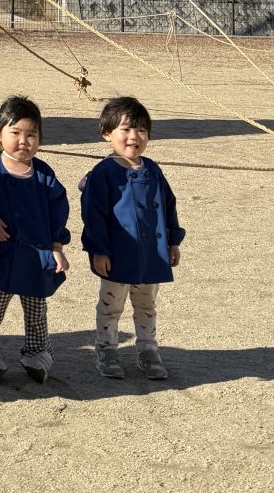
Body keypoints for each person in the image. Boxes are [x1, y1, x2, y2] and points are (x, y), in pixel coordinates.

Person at [0, 95, 70, 384]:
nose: (24, 141)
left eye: (31, 134)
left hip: (37, 258)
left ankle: (37, 354)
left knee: (36, 311)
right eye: (16, 133)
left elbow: (59, 208)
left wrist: (57, 245)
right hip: (2, 257)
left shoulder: (44, 174)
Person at [80, 95, 184, 381]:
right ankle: (106, 349)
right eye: (125, 129)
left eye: (140, 129)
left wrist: (173, 240)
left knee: (146, 305)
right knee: (111, 305)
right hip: (117, 255)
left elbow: (169, 205)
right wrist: (99, 250)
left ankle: (148, 350)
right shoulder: (103, 174)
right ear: (107, 133)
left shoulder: (153, 170)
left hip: (152, 254)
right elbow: (93, 216)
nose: (133, 137)